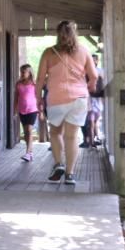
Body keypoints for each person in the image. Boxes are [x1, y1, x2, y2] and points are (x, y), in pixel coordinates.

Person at [35, 20, 98, 185]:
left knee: (55, 133)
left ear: (58, 34)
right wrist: (89, 86)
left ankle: (58, 164)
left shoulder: (49, 53)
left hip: (56, 98)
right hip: (78, 99)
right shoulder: (84, 51)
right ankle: (70, 174)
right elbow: (94, 76)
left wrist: (38, 98)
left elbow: (40, 78)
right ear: (74, 34)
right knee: (72, 137)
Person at [13, 64, 39, 162]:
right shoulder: (18, 83)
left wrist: (41, 110)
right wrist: (14, 110)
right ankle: (30, 152)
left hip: (32, 110)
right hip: (22, 110)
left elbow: (38, 97)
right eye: (21, 71)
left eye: (24, 72)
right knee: (25, 133)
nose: (22, 73)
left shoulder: (34, 83)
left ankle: (28, 153)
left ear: (30, 72)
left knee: (29, 130)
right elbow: (16, 97)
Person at [81, 53, 104, 148]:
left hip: (97, 100)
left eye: (95, 60)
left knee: (94, 122)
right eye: (91, 60)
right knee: (90, 123)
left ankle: (94, 139)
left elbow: (102, 86)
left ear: (97, 61)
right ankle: (91, 142)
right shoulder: (84, 72)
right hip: (88, 100)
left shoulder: (101, 72)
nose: (93, 62)